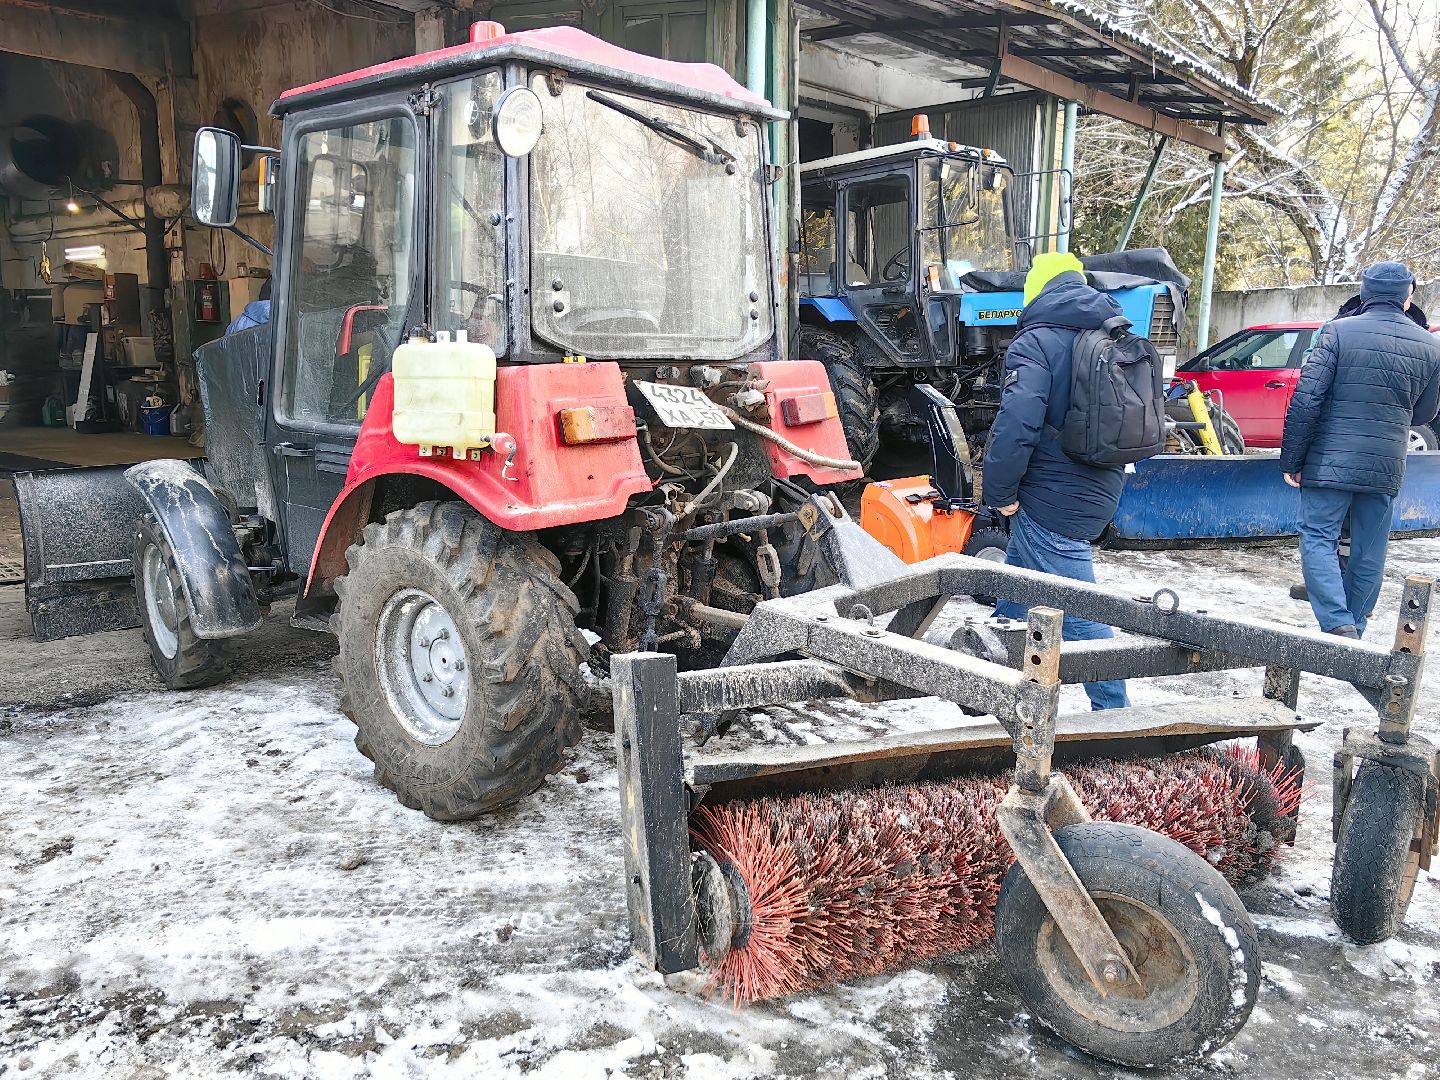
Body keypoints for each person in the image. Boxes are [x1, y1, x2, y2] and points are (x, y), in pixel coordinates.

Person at [983, 251, 1130, 710]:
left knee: (1082, 612)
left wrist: (1000, 492)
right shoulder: (1117, 334)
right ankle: (985, 677)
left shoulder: (1036, 342)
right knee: (1018, 585)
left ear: (1036, 291)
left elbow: (1017, 424)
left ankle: (1117, 718)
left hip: (1053, 497)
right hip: (1102, 484)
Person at [1279, 261, 1440, 638]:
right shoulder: (1430, 345)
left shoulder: (1336, 332)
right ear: (1408, 296)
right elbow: (1426, 412)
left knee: (1319, 536)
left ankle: (1337, 624)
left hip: (1328, 461)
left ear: (1364, 294)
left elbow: (1307, 399)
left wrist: (1292, 459)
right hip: (1385, 464)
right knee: (1370, 546)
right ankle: (1357, 625)